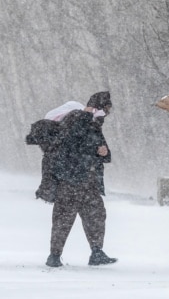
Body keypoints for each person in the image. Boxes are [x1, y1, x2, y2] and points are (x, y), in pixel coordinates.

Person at [46, 91, 117, 268]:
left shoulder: (91, 125)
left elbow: (102, 152)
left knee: (94, 216)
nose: (104, 115)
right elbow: (71, 146)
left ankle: (95, 252)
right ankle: (55, 255)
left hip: (88, 181)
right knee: (66, 218)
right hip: (71, 181)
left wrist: (103, 152)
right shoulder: (74, 122)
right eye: (103, 110)